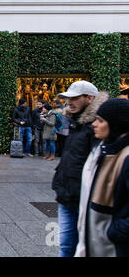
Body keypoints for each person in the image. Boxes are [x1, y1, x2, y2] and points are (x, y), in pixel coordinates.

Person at [51, 80, 108, 257]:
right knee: (66, 246)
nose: (70, 102)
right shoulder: (76, 123)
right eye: (68, 99)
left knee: (83, 247)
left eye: (75, 98)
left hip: (85, 197)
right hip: (67, 193)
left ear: (89, 98)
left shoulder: (97, 127)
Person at [75, 98, 129, 257]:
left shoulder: (124, 157)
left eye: (100, 120)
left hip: (113, 247)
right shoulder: (106, 150)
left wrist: (115, 232)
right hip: (98, 243)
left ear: (115, 125)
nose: (94, 124)